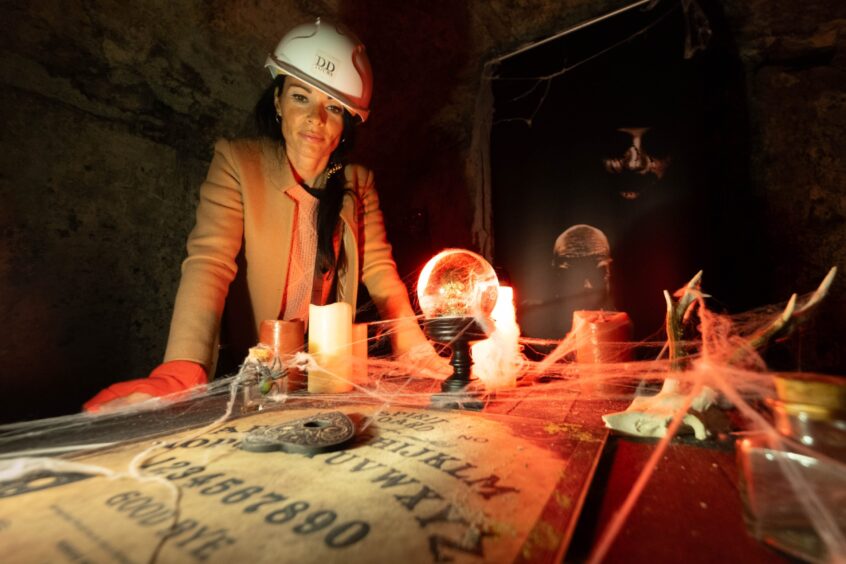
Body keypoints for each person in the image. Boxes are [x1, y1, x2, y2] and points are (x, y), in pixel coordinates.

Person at [85, 18, 438, 412]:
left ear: (347, 124)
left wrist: (415, 347)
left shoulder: (358, 183)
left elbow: (381, 274)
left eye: (333, 107)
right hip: (251, 376)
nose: (315, 118)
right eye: (300, 97)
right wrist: (182, 367)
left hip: (325, 376)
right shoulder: (238, 162)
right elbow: (209, 263)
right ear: (277, 102)